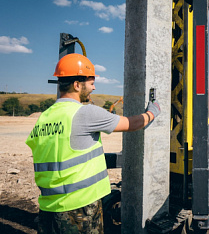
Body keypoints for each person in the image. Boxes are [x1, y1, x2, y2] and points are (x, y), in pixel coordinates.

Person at [25, 53, 161, 234]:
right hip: (79, 209)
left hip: (48, 210)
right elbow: (131, 123)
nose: (94, 87)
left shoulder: (43, 118)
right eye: (91, 82)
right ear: (76, 84)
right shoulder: (85, 113)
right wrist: (152, 112)